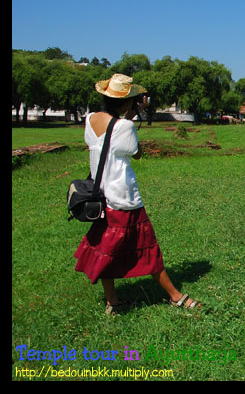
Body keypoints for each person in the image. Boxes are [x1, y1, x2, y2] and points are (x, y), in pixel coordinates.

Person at [74, 74, 201, 315]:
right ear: (126, 102)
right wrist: (130, 119)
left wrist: (126, 115)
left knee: (106, 250)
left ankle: (112, 302)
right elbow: (137, 153)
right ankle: (175, 296)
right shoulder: (126, 126)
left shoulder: (89, 119)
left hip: (101, 197)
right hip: (124, 198)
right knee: (148, 248)